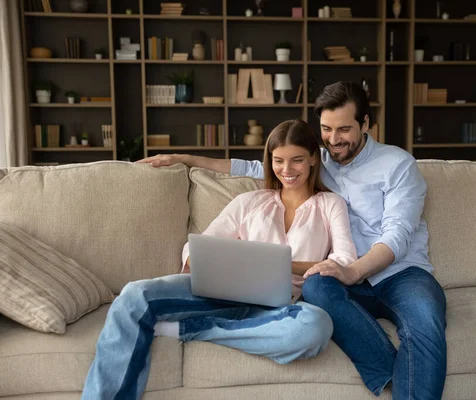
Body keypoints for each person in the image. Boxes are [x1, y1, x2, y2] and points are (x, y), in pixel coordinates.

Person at [138, 81, 447, 400]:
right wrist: (184, 157)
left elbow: (397, 235)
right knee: (315, 286)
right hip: (344, 278)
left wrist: (352, 271)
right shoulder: (319, 161)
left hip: (400, 274)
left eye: (344, 129)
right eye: (327, 129)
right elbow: (260, 165)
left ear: (366, 123)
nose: (334, 139)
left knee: (425, 321)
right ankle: (389, 374)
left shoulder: (397, 165)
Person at [82, 119, 357, 400]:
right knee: (133, 295)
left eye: (297, 160)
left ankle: (191, 330)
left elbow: (344, 259)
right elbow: (201, 244)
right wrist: (194, 262)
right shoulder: (250, 201)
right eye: (278, 161)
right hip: (221, 294)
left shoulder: (329, 204)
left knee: (316, 326)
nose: (287, 170)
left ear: (313, 159)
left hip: (278, 308)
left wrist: (283, 265)